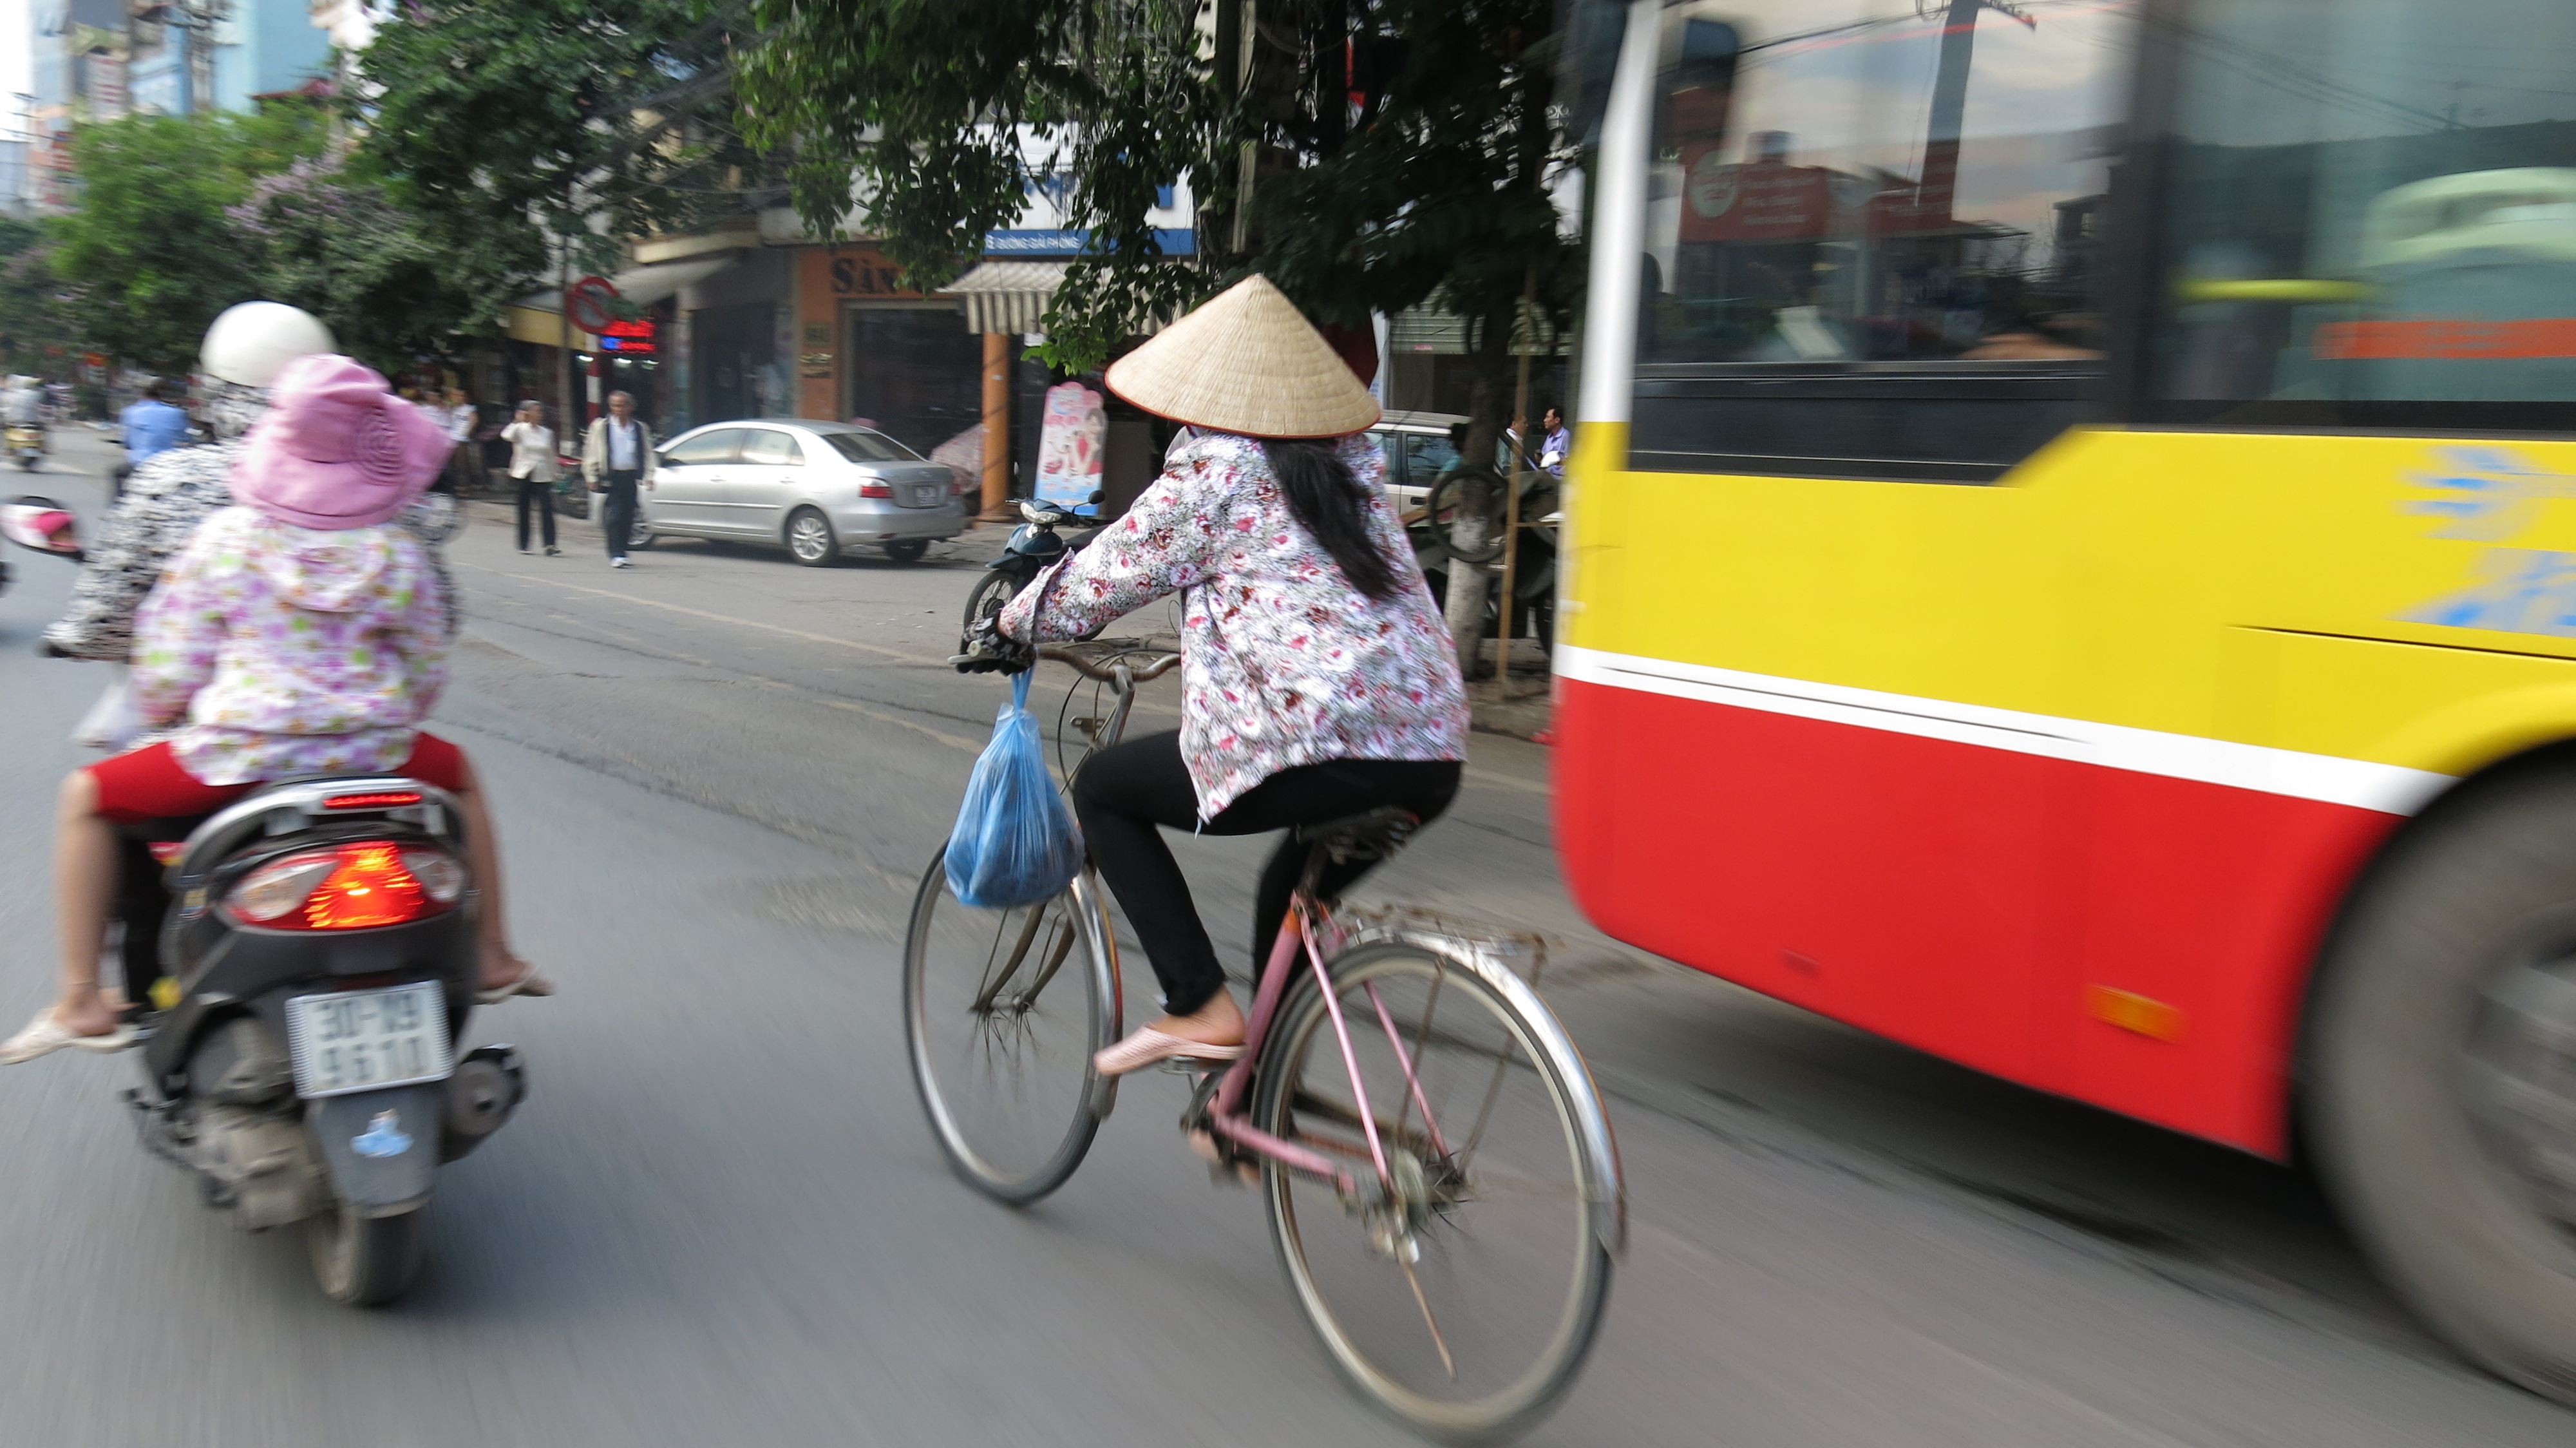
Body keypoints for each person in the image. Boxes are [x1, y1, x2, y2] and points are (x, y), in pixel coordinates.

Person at [981, 274, 1470, 1076]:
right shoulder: (1351, 464)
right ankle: (1261, 1100)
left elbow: (1099, 581)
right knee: (1290, 895)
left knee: (1102, 789)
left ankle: (1197, 1003)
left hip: (1318, 744)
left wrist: (1008, 622)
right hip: (1430, 748)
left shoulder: (1220, 469)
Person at [6, 354, 549, 1063]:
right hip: (375, 755)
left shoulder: (226, 540)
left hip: (237, 756)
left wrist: (169, 708)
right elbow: (425, 672)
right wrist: (384, 716)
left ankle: (81, 996)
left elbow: (168, 668)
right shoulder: (397, 551)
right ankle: (495, 953)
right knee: (463, 776)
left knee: (86, 797)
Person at [581, 390, 656, 568]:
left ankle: (622, 551)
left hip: (630, 476)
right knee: (615, 515)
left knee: (628, 515)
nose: (618, 409)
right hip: (611, 476)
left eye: (622, 405)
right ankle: (616, 553)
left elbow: (648, 452)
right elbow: (591, 452)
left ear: (630, 407)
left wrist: (649, 475)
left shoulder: (639, 427)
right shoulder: (602, 426)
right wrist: (591, 475)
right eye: (615, 406)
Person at [113, 378, 192, 498]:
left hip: (138, 464)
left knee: (118, 474)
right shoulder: (176, 413)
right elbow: (185, 439)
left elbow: (127, 442)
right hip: (168, 466)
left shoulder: (130, 412)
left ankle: (119, 504)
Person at [502, 399, 561, 556]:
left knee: (547, 508)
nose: (538, 414)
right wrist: (517, 421)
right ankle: (524, 544)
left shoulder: (547, 433)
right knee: (524, 509)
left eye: (540, 411)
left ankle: (550, 544)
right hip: (524, 472)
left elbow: (551, 455)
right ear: (527, 413)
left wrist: (555, 473)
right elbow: (506, 436)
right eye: (535, 411)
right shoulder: (519, 429)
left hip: (543, 473)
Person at [1538, 405, 1571, 479]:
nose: (1545, 420)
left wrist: (1555, 461)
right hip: (1548, 477)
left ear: (1557, 420)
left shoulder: (1565, 435)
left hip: (1560, 478)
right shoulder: (1549, 437)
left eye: (1548, 417)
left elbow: (1570, 460)